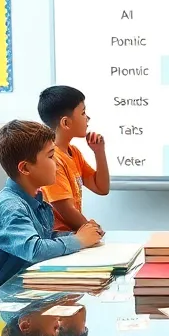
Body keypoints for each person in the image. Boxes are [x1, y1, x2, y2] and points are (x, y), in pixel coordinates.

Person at [0, 121, 104, 304]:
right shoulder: (10, 207)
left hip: (25, 295)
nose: (57, 163)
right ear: (25, 168)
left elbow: (45, 236)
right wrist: (78, 240)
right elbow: (34, 249)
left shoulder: (37, 200)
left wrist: (79, 234)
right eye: (51, 156)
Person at [36, 85, 109, 232]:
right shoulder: (52, 159)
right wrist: (92, 230)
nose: (88, 118)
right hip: (58, 239)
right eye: (83, 113)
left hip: (73, 235)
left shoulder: (73, 152)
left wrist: (99, 152)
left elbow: (101, 188)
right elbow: (65, 209)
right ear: (66, 123)